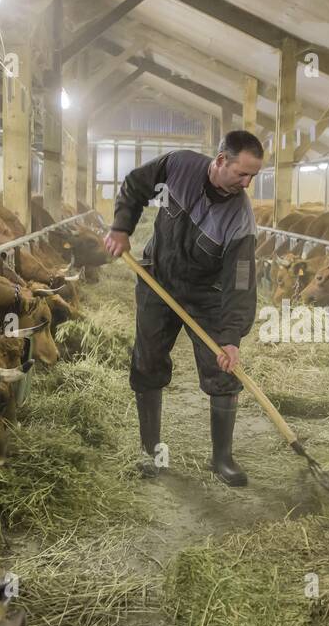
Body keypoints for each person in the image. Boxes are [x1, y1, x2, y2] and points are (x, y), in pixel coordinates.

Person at [104, 130, 264, 486]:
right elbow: (135, 183)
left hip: (204, 294)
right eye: (242, 173)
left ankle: (222, 459)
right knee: (147, 362)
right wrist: (120, 227)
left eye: (254, 176)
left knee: (222, 371)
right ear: (221, 160)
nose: (248, 183)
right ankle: (151, 452)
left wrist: (231, 337)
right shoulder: (179, 164)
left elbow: (240, 283)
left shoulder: (240, 219)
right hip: (157, 281)